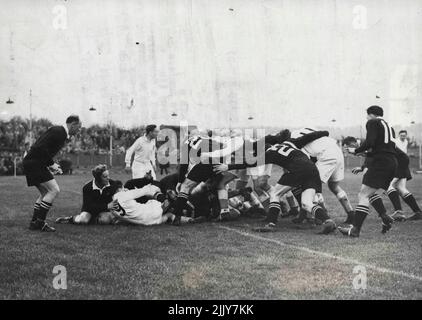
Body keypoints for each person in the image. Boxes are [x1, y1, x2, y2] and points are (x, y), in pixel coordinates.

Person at [214, 130, 337, 234]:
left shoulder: (270, 152)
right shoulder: (292, 142)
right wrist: (325, 132)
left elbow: (250, 162)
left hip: (297, 170)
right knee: (306, 203)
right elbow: (310, 136)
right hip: (312, 169)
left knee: (275, 194)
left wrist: (228, 167)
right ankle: (327, 221)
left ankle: (271, 223)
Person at [338, 106, 397, 238]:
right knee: (373, 193)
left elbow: (370, 142)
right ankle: (385, 217)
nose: (366, 118)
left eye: (367, 115)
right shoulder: (387, 125)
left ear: (371, 114)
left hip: (381, 163)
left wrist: (356, 150)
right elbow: (382, 149)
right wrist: (363, 153)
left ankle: (355, 230)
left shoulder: (373, 122)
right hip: (391, 163)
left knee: (363, 194)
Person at [23, 115, 81, 232]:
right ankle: (40, 223)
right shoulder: (59, 131)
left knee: (45, 192)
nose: (79, 130)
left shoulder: (59, 132)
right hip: (35, 163)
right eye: (78, 127)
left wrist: (51, 165)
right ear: (73, 124)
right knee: (54, 190)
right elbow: (41, 147)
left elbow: (42, 148)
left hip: (32, 162)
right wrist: (51, 164)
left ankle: (35, 223)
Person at [290, 127, 354, 224]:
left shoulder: (295, 139)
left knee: (310, 185)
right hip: (337, 151)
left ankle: (322, 216)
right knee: (334, 186)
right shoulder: (312, 131)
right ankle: (351, 213)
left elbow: (305, 158)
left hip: (327, 155)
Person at [55, 164, 121, 225]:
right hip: (90, 210)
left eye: (108, 175)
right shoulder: (87, 187)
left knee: (105, 220)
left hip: (104, 211)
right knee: (83, 220)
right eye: (105, 177)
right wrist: (107, 206)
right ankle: (70, 219)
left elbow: (119, 186)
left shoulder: (112, 184)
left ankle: (96, 220)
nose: (108, 178)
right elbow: (88, 206)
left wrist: (122, 189)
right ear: (98, 179)